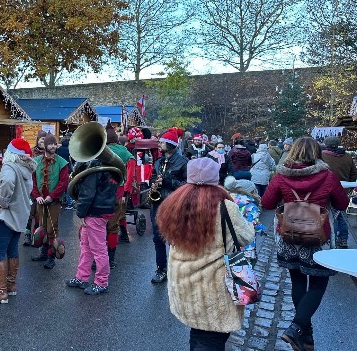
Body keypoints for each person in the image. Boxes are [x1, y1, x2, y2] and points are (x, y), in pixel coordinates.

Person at [157, 157, 254, 350]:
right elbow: (246, 236)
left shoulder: (174, 203)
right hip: (215, 291)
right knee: (212, 340)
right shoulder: (227, 207)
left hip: (184, 284)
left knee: (198, 333)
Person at [261, 137, 348, 350]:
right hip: (318, 239)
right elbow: (342, 203)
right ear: (318, 153)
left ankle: (303, 333)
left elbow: (267, 203)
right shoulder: (328, 176)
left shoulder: (281, 175)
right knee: (319, 283)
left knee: (298, 281)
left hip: (289, 236)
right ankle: (299, 329)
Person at [0, 139, 36, 304]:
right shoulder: (25, 168)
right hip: (19, 216)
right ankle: (10, 286)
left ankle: (0, 292)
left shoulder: (9, 168)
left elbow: (7, 182)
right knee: (12, 249)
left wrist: (1, 203)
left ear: (11, 153)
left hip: (5, 216)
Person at [65, 152, 119, 295]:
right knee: (86, 246)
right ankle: (81, 277)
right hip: (100, 210)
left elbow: (87, 193)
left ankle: (101, 282)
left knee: (98, 249)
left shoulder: (95, 168)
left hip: (94, 212)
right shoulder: (110, 167)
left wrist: (81, 213)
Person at [148, 128, 188, 284]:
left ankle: (176, 269)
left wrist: (167, 181)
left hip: (173, 205)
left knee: (174, 240)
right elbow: (152, 176)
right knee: (157, 239)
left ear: (171, 144)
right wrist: (153, 183)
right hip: (157, 204)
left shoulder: (183, 162)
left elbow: (187, 186)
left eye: (162, 142)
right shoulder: (158, 161)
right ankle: (161, 269)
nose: (159, 144)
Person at [30, 134, 69, 269]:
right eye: (50, 144)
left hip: (54, 201)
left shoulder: (62, 163)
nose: (53, 146)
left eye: (54, 144)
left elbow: (63, 182)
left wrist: (52, 196)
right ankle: (43, 254)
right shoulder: (36, 161)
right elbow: (32, 180)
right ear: (45, 145)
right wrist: (36, 196)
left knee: (52, 229)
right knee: (42, 227)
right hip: (40, 200)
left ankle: (51, 257)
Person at [105, 124, 136, 258]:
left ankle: (101, 256)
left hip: (101, 190)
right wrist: (127, 189)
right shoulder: (124, 151)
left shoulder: (100, 150)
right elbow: (131, 168)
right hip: (119, 189)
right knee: (116, 218)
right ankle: (111, 258)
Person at [321, 136, 356, 249]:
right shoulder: (347, 156)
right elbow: (353, 175)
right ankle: (343, 239)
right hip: (343, 190)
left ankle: (333, 240)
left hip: (326, 190)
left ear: (326, 144)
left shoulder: (322, 156)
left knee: (331, 215)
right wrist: (348, 187)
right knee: (341, 215)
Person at [56, 134, 74, 210]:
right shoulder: (71, 151)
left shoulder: (58, 150)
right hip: (68, 169)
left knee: (60, 185)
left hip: (60, 169)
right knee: (68, 187)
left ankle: (60, 202)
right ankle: (70, 203)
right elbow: (73, 161)